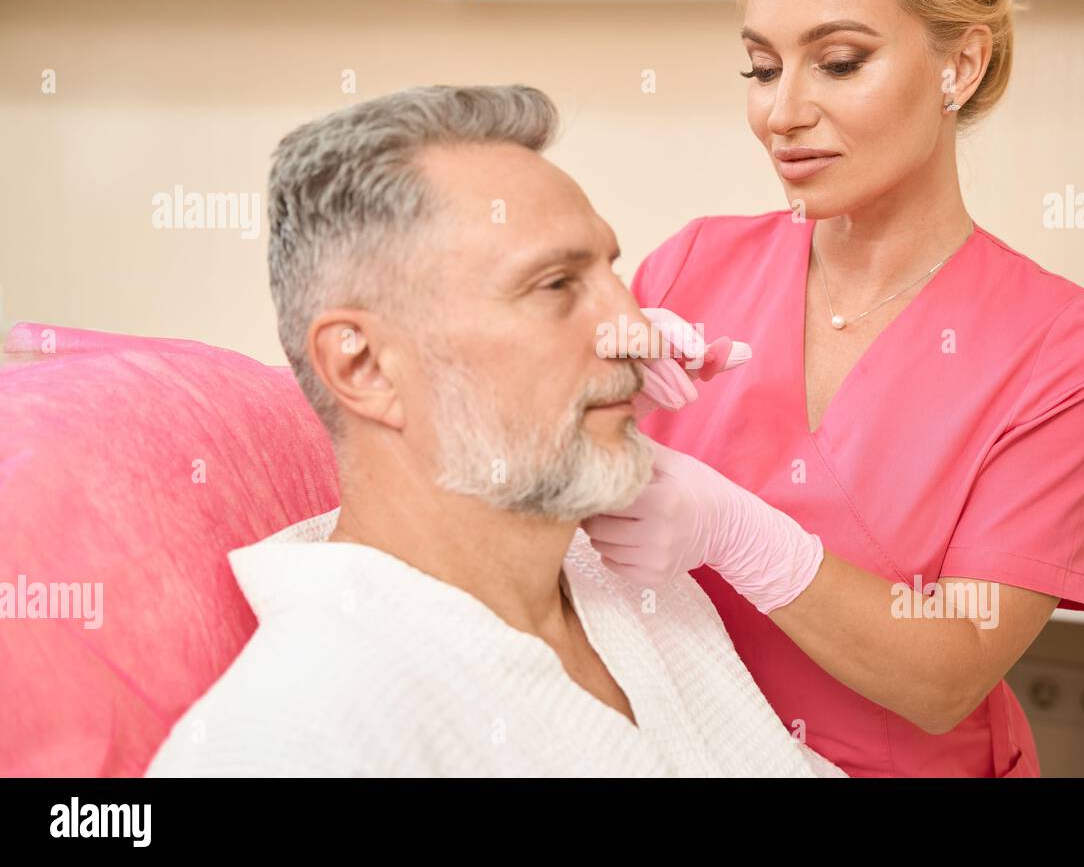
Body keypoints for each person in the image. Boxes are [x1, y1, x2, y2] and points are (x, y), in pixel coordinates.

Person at [145, 85, 844, 778]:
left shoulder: (628, 590)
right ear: (364, 368)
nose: (633, 328)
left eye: (610, 272)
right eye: (554, 286)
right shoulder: (291, 742)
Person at [584, 0, 1084, 777]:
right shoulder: (691, 266)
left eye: (839, 63)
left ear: (960, 63)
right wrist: (573, 423)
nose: (783, 113)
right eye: (761, 68)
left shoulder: (1059, 343)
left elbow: (947, 673)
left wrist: (739, 532)